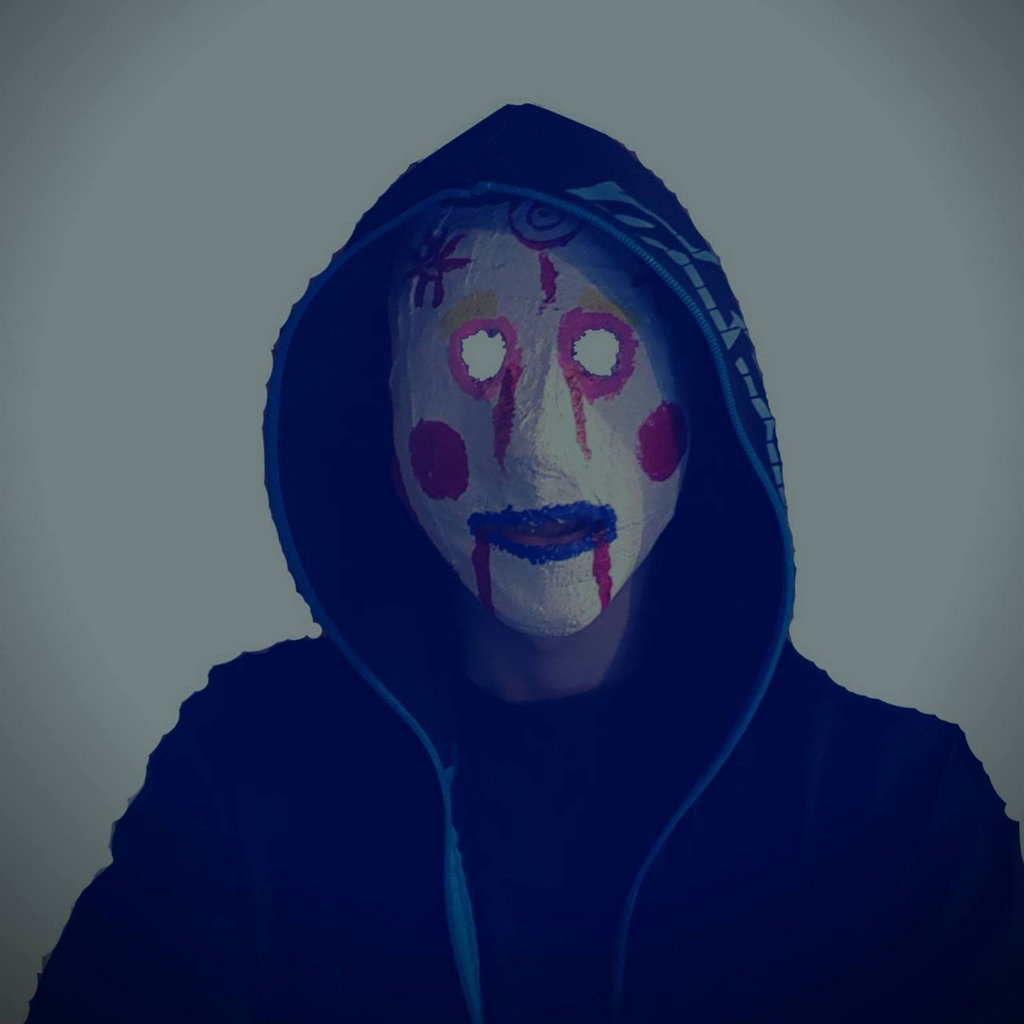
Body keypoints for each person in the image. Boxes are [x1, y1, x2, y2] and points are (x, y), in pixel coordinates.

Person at [25, 103, 1024, 1023]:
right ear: (385, 421)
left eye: (601, 358)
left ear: (704, 407)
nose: (537, 448)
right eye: (473, 363)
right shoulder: (245, 773)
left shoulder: (894, 814)